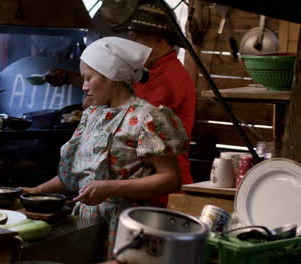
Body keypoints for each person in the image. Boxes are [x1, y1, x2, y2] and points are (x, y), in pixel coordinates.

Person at [22, 36, 189, 259]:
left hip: (126, 227)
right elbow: (77, 174)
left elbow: (170, 179)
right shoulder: (93, 115)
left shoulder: (148, 118)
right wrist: (37, 191)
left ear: (112, 76)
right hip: (84, 223)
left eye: (89, 78)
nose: (83, 86)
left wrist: (110, 188)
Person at [44, 0, 196, 207]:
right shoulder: (145, 77)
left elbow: (133, 124)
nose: (131, 41)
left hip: (155, 198)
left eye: (136, 37)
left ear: (157, 38)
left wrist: (110, 187)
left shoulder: (168, 79)